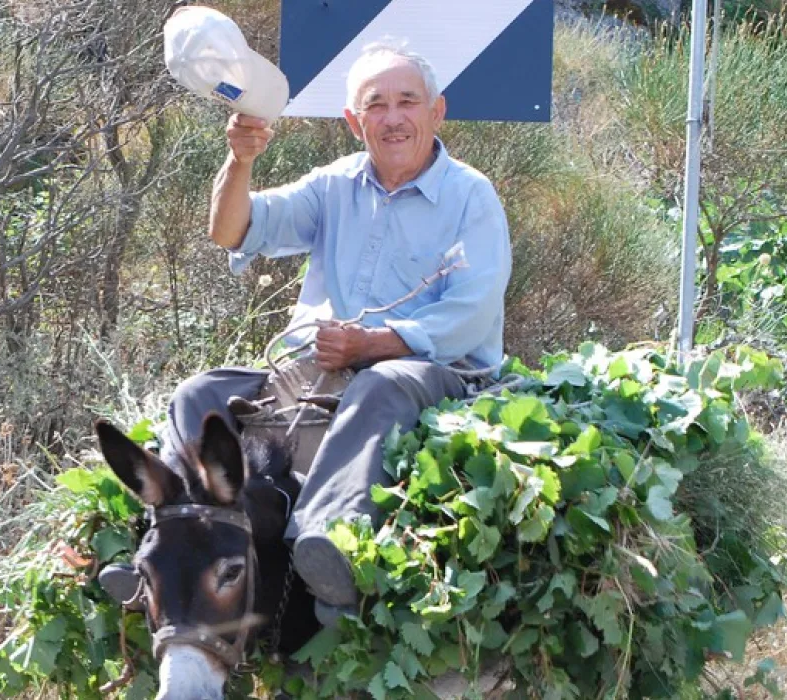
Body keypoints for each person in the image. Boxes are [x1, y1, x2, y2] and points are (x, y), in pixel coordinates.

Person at [102, 40, 512, 623]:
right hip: (316, 370)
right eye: (376, 105)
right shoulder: (333, 184)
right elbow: (233, 229)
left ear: (436, 111)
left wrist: (371, 345)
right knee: (199, 392)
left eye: (407, 102)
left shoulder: (472, 196)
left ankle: (324, 540)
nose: (393, 118)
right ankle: (170, 538)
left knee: (382, 384)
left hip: (433, 373)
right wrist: (239, 160)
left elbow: (470, 313)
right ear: (353, 121)